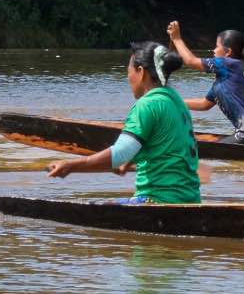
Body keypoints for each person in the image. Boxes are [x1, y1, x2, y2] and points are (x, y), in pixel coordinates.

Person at [46, 41, 201, 204]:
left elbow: (120, 153)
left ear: (141, 72)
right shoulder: (177, 102)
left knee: (99, 209)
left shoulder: (147, 104)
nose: (128, 78)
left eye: (129, 71)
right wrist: (133, 160)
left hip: (157, 200)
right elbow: (165, 146)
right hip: (191, 199)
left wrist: (71, 165)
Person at [166, 20, 244, 146]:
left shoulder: (228, 63)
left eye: (217, 46)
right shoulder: (223, 83)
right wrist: (174, 101)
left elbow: (191, 62)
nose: (214, 50)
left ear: (227, 52)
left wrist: (177, 39)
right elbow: (204, 104)